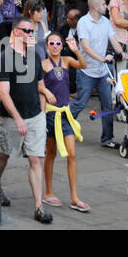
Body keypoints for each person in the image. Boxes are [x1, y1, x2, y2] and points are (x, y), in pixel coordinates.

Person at [0, 16, 52, 222]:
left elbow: (39, 84)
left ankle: (38, 207)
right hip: (11, 118)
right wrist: (18, 119)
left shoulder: (35, 56)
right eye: (27, 31)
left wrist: (43, 108)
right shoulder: (5, 57)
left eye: (33, 31)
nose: (31, 35)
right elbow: (3, 93)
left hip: (35, 115)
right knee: (4, 155)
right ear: (16, 32)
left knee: (35, 158)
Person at [42, 31, 89, 212]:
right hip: (51, 115)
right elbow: (38, 84)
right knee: (51, 154)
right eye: (51, 43)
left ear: (63, 46)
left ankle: (74, 197)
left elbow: (83, 65)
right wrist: (45, 92)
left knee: (72, 154)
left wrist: (77, 50)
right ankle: (48, 192)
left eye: (58, 43)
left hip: (65, 114)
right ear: (47, 46)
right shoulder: (43, 64)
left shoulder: (67, 61)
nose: (55, 46)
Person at [68, 0, 119, 149]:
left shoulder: (105, 21)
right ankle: (63, 128)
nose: (107, 6)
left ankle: (107, 138)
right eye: (104, 4)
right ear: (96, 7)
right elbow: (86, 47)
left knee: (107, 105)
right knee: (80, 103)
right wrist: (101, 58)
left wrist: (121, 52)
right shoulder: (84, 22)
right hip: (86, 70)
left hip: (103, 72)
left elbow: (114, 39)